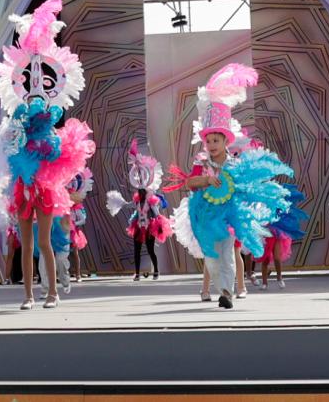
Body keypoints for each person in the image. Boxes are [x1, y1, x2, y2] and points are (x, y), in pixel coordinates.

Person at [0, 0, 94, 310]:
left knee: (45, 243)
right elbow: (12, 153)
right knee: (26, 245)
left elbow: (52, 154)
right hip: (23, 189)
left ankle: (52, 294)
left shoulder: (48, 128)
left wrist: (39, 137)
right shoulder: (17, 124)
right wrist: (19, 134)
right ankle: (27, 295)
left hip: (45, 190)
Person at [169, 64, 292, 311]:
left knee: (227, 252)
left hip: (228, 215)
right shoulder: (202, 163)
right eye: (208, 141)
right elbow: (189, 183)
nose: (212, 144)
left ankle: (227, 292)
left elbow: (243, 185)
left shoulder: (234, 164)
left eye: (216, 140)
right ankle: (221, 287)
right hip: (205, 215)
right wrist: (206, 180)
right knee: (211, 256)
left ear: (226, 140)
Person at [104, 140, 171, 280]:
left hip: (149, 227)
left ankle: (156, 271)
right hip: (139, 227)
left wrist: (159, 226)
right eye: (138, 190)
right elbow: (130, 205)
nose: (139, 191)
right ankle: (137, 274)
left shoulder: (151, 200)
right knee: (137, 250)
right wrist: (121, 203)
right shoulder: (137, 201)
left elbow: (156, 213)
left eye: (141, 190)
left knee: (151, 250)